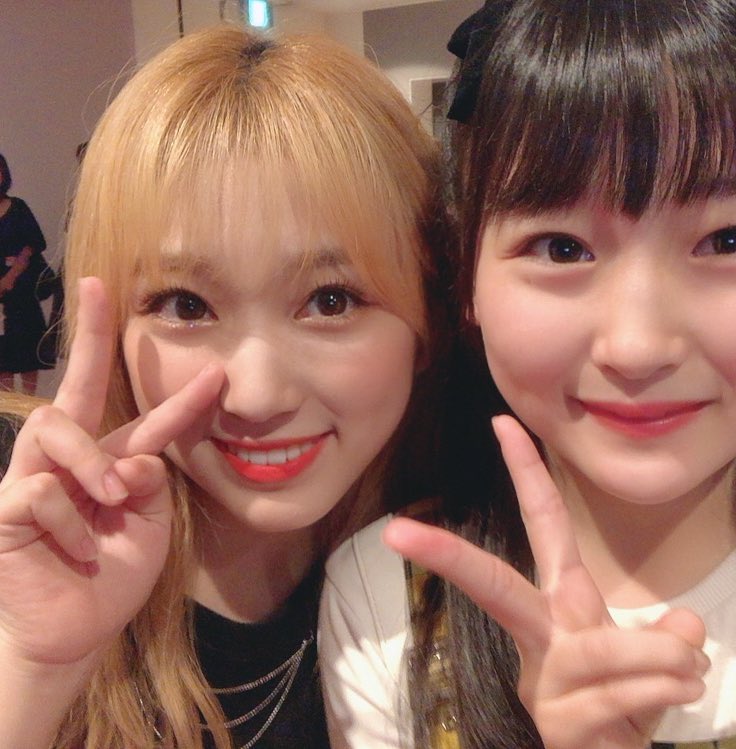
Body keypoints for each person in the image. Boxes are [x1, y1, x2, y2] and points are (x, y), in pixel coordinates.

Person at [319, 0, 736, 747]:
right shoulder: (390, 605)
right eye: (561, 248)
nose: (637, 348)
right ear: (467, 266)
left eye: (731, 239)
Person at [0, 23, 448, 749]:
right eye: (186, 306)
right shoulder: (22, 530)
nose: (256, 396)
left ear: (427, 315)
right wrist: (28, 667)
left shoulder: (465, 580)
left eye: (330, 300)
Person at [0, 152, 57, 394]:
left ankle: (29, 406)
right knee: (3, 355)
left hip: (22, 288)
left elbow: (34, 242)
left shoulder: (18, 207)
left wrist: (11, 276)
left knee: (26, 350)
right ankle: (7, 410)